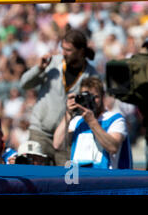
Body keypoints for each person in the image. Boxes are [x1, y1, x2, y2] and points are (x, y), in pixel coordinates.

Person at [19, 29, 99, 166]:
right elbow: (24, 84)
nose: (63, 53)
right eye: (62, 48)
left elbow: (95, 106)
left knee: (65, 180)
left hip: (67, 137)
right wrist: (39, 69)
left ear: (80, 52)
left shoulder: (91, 75)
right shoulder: (52, 63)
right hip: (41, 132)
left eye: (68, 50)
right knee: (37, 177)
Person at [53, 77, 132, 169]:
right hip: (79, 177)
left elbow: (112, 147)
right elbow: (57, 144)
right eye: (85, 96)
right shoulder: (77, 121)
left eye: (94, 97)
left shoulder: (115, 119)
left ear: (103, 96)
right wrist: (68, 115)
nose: (90, 101)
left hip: (107, 178)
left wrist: (92, 122)